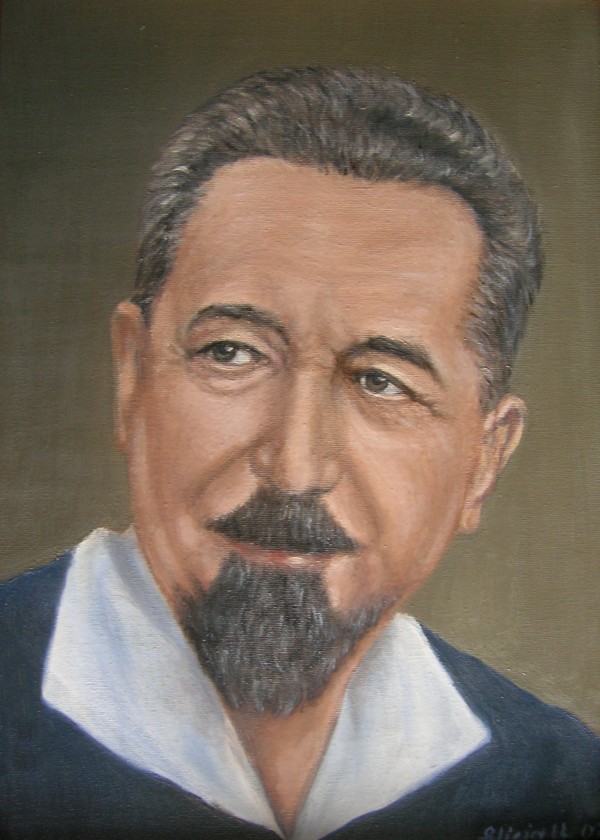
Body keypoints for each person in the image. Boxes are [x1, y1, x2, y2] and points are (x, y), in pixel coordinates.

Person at [1, 67, 598, 840]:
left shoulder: (561, 780)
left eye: (381, 381)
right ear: (132, 377)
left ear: (484, 461)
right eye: (232, 353)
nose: (294, 466)